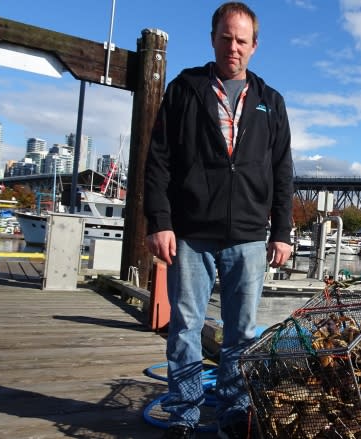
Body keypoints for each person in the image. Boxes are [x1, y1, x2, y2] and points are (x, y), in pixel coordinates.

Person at [144, 2, 293, 438]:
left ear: (254, 46)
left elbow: (283, 171)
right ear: (213, 38)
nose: (233, 47)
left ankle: (232, 412)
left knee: (242, 333)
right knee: (186, 328)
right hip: (190, 234)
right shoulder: (184, 89)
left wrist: (281, 232)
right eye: (226, 37)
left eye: (242, 40)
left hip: (248, 238)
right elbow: (158, 162)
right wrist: (159, 221)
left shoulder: (271, 101)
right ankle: (186, 415)